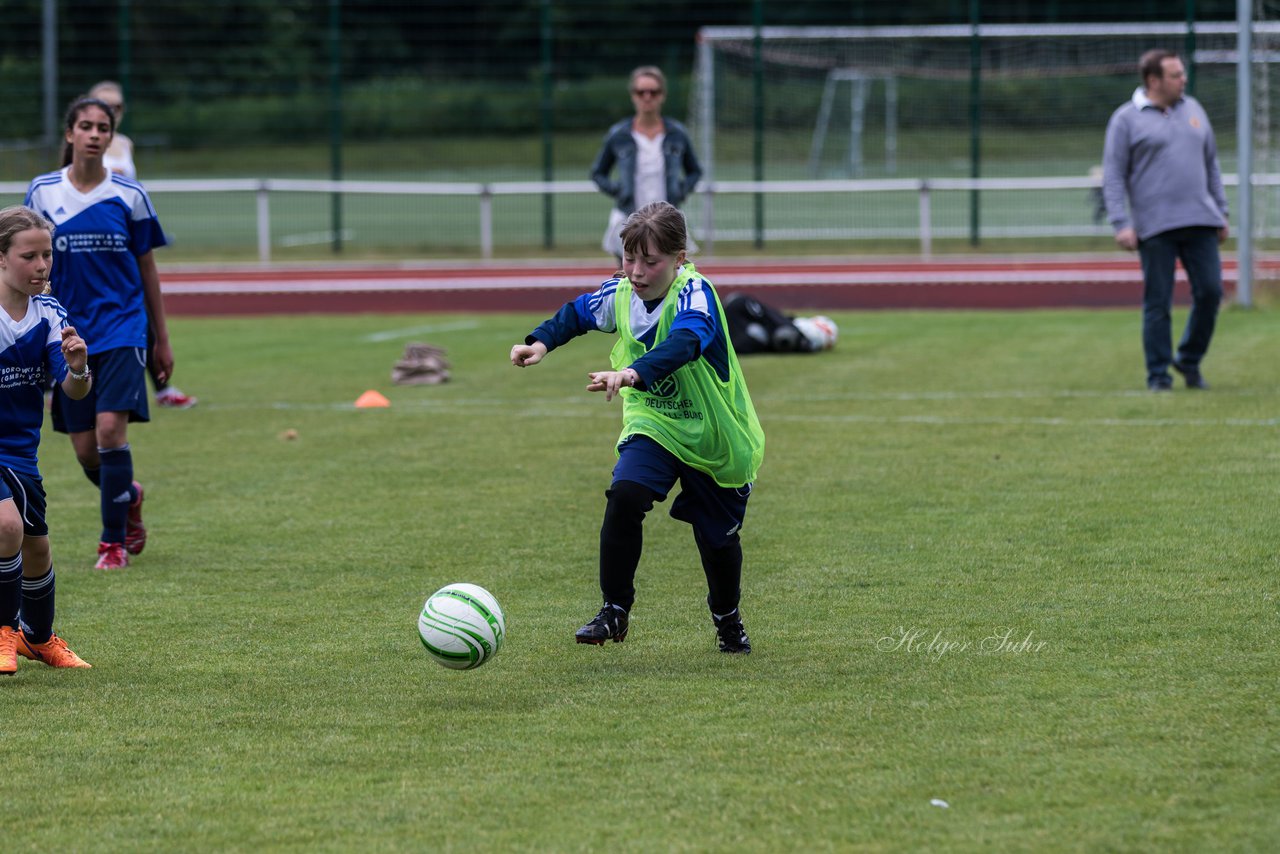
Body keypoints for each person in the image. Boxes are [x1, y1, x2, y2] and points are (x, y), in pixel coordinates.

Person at [510, 202, 765, 654]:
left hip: (715, 434)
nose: (636, 271)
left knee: (717, 540)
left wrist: (631, 373)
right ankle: (614, 610)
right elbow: (578, 313)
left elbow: (686, 342)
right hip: (656, 422)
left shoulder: (696, 294)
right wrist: (541, 342)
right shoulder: (621, 292)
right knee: (625, 494)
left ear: (679, 258)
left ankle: (728, 620)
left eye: (651, 261)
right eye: (629, 259)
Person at [24, 95, 174, 570]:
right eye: (85, 126)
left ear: (111, 138)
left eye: (102, 128)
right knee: (87, 451)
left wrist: (160, 339)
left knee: (111, 432)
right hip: (67, 333)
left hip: (124, 327)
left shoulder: (130, 194)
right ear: (69, 135)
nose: (94, 134)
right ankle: (128, 496)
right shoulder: (43, 192)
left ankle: (111, 543)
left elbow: (147, 268)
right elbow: (28, 262)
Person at [0, 205, 93, 672]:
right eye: (28, 256)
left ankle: (38, 638)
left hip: (19, 449)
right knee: (7, 527)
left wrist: (77, 368)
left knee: (36, 547)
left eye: (46, 256)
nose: (41, 266)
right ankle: (3, 632)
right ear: (0, 258)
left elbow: (75, 392)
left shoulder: (50, 314)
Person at [1102, 49, 1229, 392]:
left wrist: (1222, 210)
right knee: (1158, 302)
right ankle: (1158, 375)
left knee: (1211, 292)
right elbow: (1113, 175)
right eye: (1175, 75)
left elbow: (1211, 164)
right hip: (1155, 226)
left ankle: (1188, 358)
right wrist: (1120, 222)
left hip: (1201, 219)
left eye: (1182, 74)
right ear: (1153, 80)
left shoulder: (1194, 109)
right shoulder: (1126, 119)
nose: (1183, 80)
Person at [88, 81, 197, 410]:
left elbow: (132, 189)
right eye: (104, 105)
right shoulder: (84, 142)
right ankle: (52, 382)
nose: (112, 112)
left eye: (117, 107)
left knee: (140, 306)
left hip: (125, 237)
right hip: (93, 241)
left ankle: (162, 387)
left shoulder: (124, 143)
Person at [590, 66, 703, 265]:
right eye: (641, 92)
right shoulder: (619, 135)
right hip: (628, 218)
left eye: (654, 92)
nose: (647, 97)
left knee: (674, 278)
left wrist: (680, 191)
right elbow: (598, 173)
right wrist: (619, 191)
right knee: (629, 280)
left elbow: (695, 171)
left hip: (667, 220)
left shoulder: (677, 133)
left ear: (663, 96)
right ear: (633, 95)